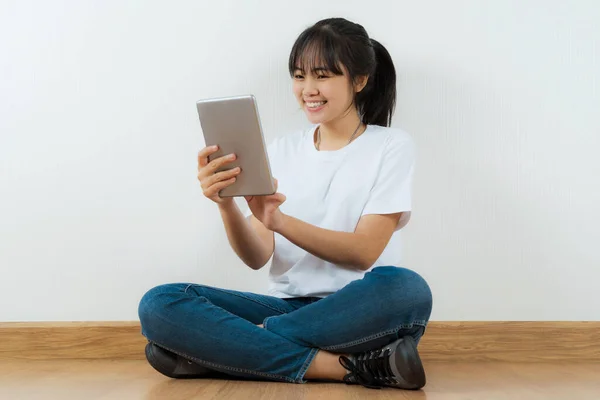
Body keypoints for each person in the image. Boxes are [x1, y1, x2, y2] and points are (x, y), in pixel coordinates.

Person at [138, 17, 433, 391]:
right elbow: (257, 255)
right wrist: (225, 203)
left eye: (323, 76)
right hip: (287, 306)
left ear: (359, 81)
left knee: (407, 289)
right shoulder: (281, 151)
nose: (308, 89)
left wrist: (279, 221)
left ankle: (236, 345)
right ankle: (346, 367)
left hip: (358, 310)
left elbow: (363, 252)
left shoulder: (391, 146)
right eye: (299, 76)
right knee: (161, 302)